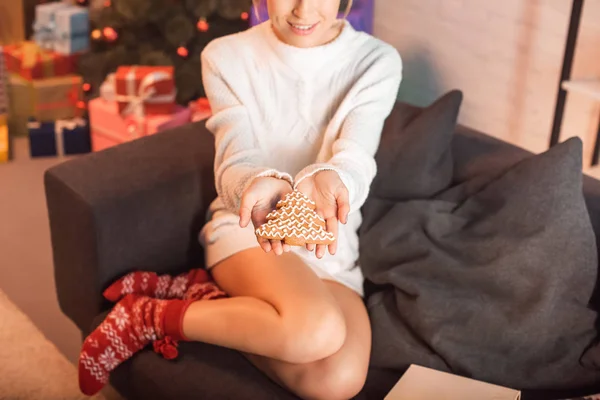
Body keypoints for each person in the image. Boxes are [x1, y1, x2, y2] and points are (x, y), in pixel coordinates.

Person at [77, 0, 402, 398]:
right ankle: (149, 316)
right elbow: (236, 159)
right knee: (318, 330)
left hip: (329, 243)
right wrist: (256, 186)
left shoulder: (376, 61)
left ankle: (204, 296)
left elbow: (356, 156)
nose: (303, 10)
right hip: (250, 227)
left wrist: (333, 179)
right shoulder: (226, 55)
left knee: (338, 382)